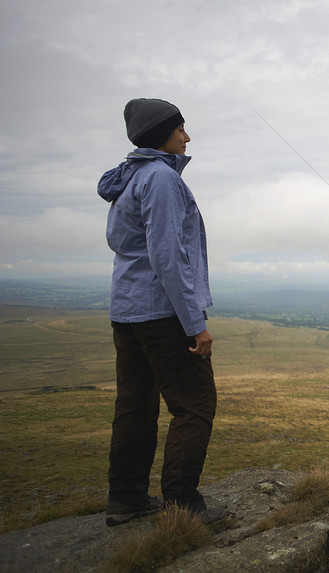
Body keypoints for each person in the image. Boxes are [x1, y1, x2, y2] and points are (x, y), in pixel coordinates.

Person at [97, 98, 220, 526]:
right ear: (160, 135)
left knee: (135, 405)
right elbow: (168, 256)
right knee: (195, 404)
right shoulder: (161, 180)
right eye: (180, 129)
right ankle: (182, 505)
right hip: (161, 314)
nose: (187, 137)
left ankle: (126, 499)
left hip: (127, 311)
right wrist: (195, 323)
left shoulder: (130, 178)